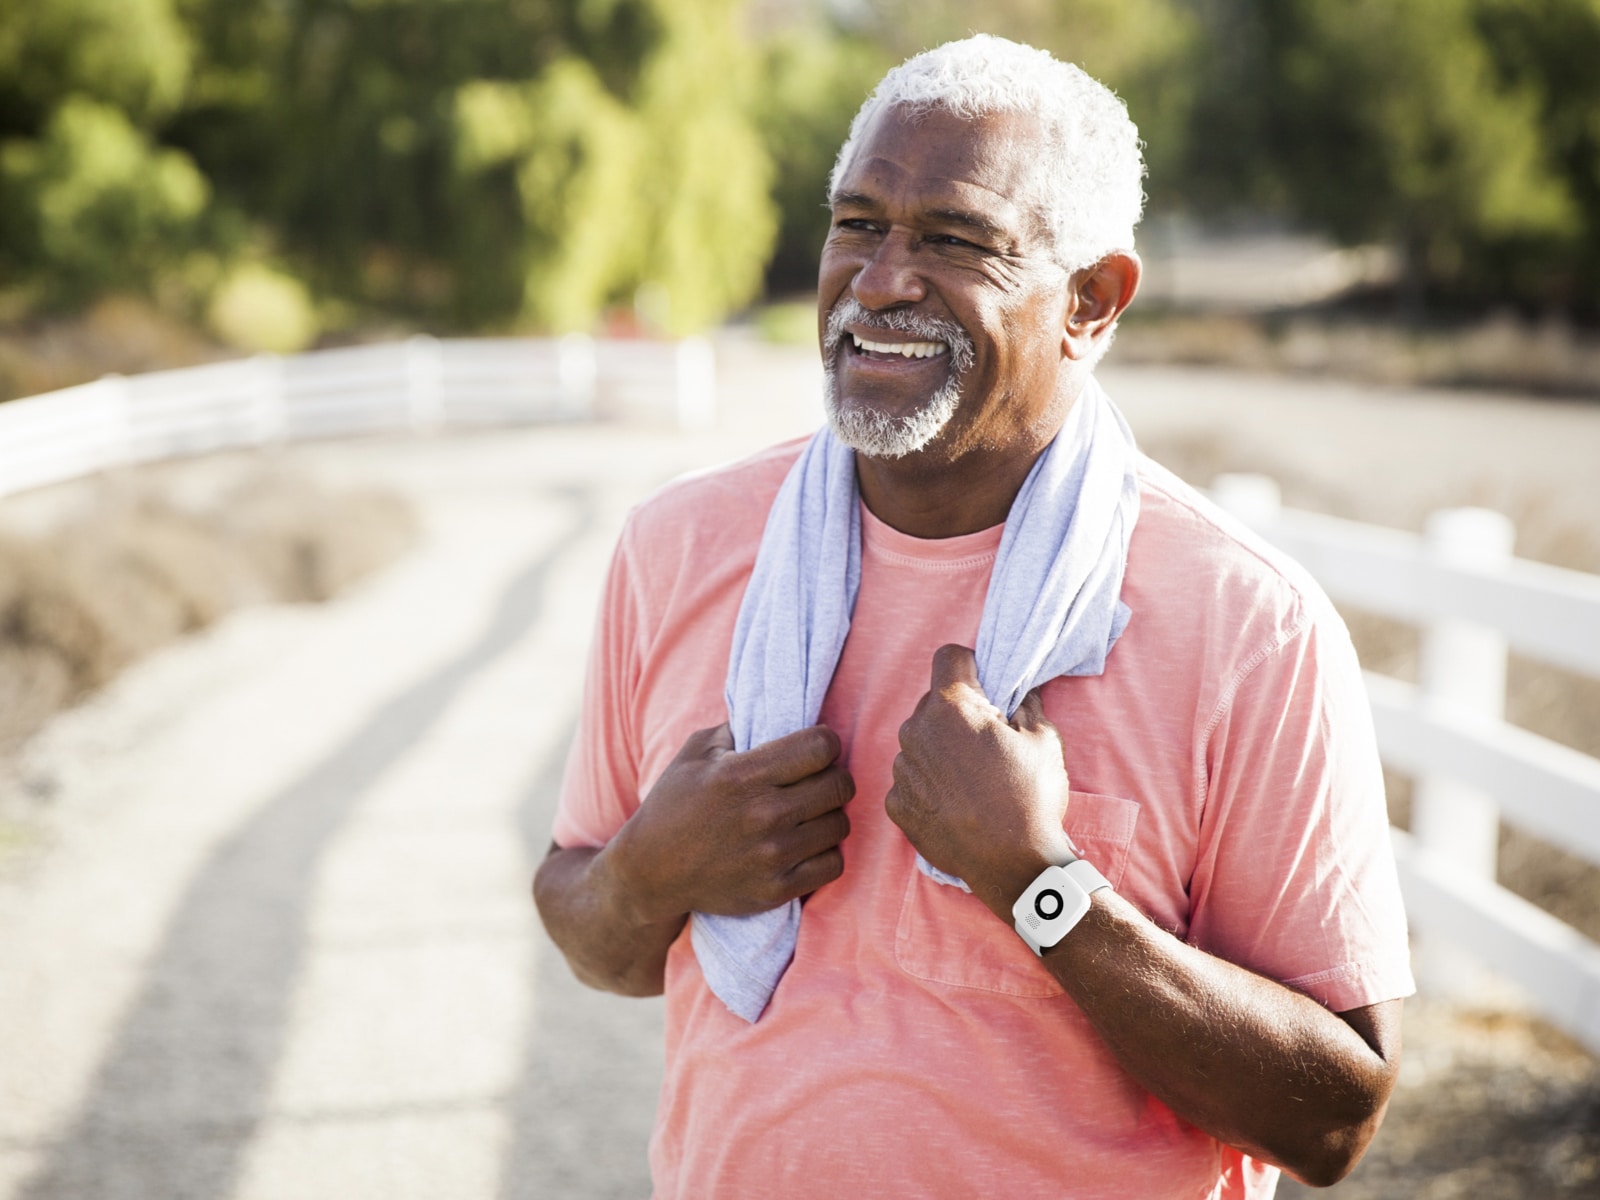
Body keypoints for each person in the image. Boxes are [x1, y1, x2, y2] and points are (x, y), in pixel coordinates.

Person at [534, 34, 1414, 1200]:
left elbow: (1333, 1122)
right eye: (857, 224)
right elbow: (592, 930)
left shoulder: (1246, 622)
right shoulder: (679, 547)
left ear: (1091, 302)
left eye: (954, 240)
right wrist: (654, 871)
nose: (882, 280)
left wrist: (1040, 884)